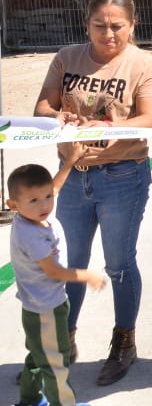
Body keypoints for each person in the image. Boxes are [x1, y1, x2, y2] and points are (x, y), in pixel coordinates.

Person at [34, 0, 152, 386]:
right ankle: (64, 339)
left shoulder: (144, 64)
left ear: (132, 25)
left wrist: (108, 127)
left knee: (119, 264)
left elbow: (150, 118)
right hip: (72, 176)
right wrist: (61, 117)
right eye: (99, 26)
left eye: (117, 26)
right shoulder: (67, 58)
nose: (108, 34)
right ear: (87, 24)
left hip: (122, 176)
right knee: (70, 259)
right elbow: (42, 106)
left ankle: (124, 340)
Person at [8, 160, 106, 406]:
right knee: (56, 363)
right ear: (13, 205)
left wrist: (71, 162)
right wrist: (87, 276)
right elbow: (53, 271)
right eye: (34, 200)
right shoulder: (31, 235)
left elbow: (54, 186)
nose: (44, 205)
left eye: (48, 197)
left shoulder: (29, 218)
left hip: (39, 306)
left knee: (39, 356)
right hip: (46, 310)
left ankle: (29, 399)